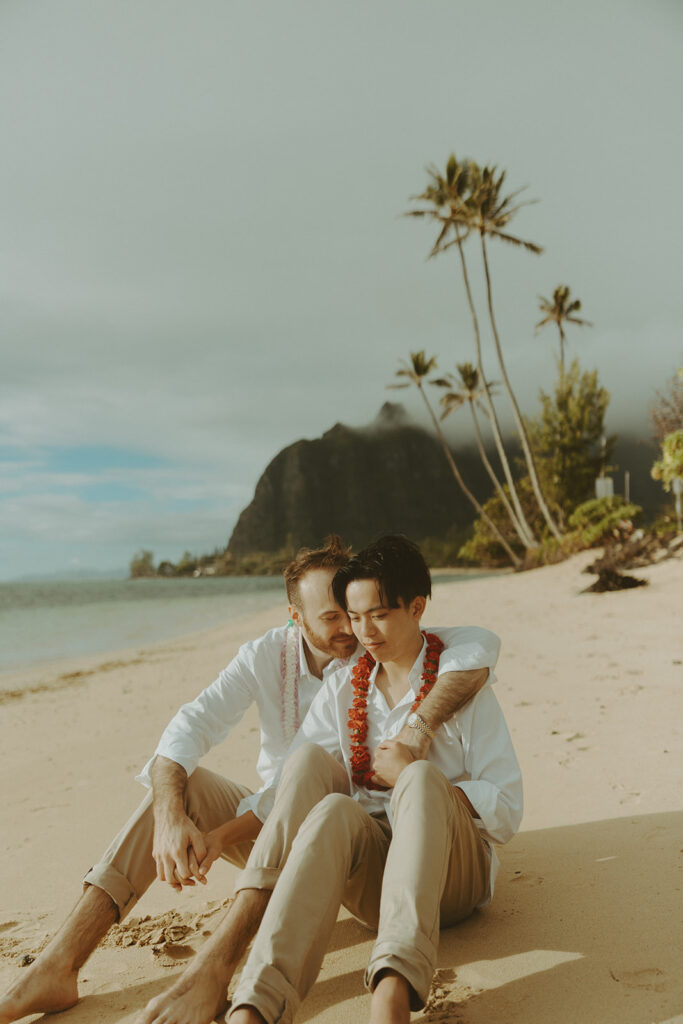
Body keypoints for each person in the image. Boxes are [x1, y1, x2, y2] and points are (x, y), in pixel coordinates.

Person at [0, 535, 499, 1024]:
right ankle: (55, 967)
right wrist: (172, 816)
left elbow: (478, 644)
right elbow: (187, 729)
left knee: (317, 778)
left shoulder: (399, 649)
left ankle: (219, 965)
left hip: (357, 833)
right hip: (277, 822)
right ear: (294, 618)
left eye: (356, 611)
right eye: (334, 617)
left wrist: (417, 731)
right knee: (184, 787)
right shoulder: (267, 657)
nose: (353, 629)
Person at [223, 535, 523, 1024]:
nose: (364, 632)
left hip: (454, 878)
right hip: (376, 887)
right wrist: (224, 835)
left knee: (422, 777)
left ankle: (392, 990)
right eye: (354, 616)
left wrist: (417, 782)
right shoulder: (344, 686)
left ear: (417, 607)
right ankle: (258, 1002)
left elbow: (507, 808)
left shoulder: (463, 683)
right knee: (333, 808)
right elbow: (294, 781)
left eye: (379, 615)